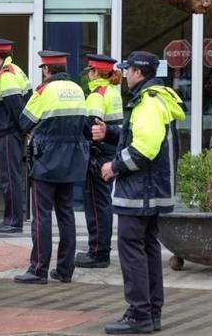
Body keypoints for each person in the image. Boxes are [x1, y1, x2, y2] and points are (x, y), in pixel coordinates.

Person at [94, 51, 185, 335]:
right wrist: (109, 133)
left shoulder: (146, 102)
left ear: (138, 72)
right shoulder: (158, 99)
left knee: (132, 249)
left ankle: (138, 315)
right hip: (153, 191)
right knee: (147, 249)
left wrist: (113, 167)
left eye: (128, 70)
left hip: (140, 192)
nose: (125, 75)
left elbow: (144, 149)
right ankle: (150, 313)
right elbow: (140, 135)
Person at [13, 50, 89, 285]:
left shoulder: (44, 91)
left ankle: (38, 270)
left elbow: (24, 121)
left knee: (42, 217)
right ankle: (65, 270)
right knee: (66, 215)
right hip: (71, 163)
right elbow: (84, 125)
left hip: (46, 163)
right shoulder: (77, 89)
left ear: (46, 70)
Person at [76, 54, 123, 268]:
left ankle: (97, 253)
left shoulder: (97, 95)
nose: (87, 74)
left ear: (96, 72)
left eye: (89, 71)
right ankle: (100, 249)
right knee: (103, 203)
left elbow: (90, 126)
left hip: (97, 154)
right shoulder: (113, 92)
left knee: (95, 204)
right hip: (110, 151)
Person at [0, 37, 31, 234]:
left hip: (9, 133)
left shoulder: (6, 74)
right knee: (11, 176)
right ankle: (11, 219)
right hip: (11, 132)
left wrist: (24, 129)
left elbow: (16, 106)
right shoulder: (13, 70)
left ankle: (13, 221)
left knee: (10, 177)